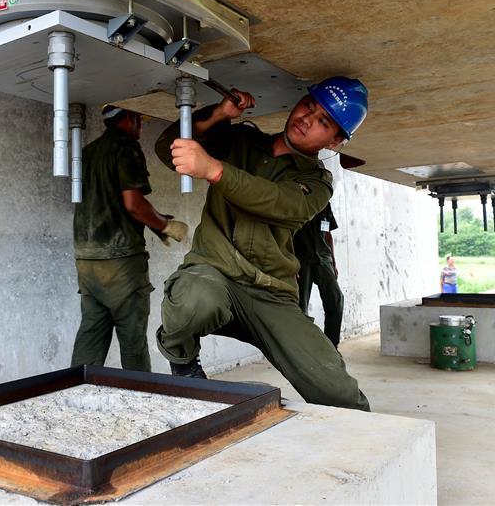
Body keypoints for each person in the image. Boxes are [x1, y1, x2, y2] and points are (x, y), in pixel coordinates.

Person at [154, 76, 371, 411]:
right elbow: (167, 148)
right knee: (193, 299)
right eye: (309, 106)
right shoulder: (242, 140)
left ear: (334, 141)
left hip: (270, 293)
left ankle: (368, 445)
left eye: (323, 121)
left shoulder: (316, 183)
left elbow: (275, 202)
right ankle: (182, 360)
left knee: (336, 390)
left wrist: (213, 169)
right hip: (214, 273)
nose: (307, 119)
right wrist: (217, 115)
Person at [70, 105, 189, 372]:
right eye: (140, 119)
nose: (142, 126)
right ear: (129, 117)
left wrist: (158, 220)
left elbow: (111, 204)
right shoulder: (126, 148)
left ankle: (73, 393)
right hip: (121, 263)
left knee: (91, 332)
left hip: (87, 260)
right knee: (132, 340)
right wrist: (166, 227)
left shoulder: (88, 153)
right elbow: (133, 204)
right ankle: (141, 399)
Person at [294, 202, 344, 347]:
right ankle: (303, 347)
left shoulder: (324, 204)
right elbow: (286, 236)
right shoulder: (295, 201)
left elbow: (328, 233)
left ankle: (331, 347)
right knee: (300, 306)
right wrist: (291, 263)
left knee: (336, 299)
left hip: (323, 259)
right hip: (302, 261)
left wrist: (333, 262)